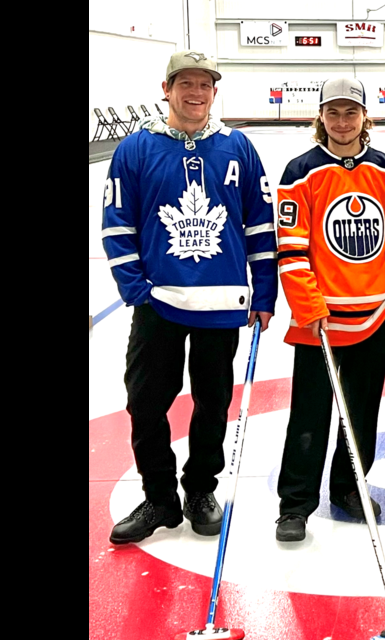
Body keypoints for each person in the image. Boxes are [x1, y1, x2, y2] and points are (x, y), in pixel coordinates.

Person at [103, 51, 278, 544]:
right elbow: (118, 225)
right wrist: (138, 290)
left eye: (205, 84)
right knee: (145, 401)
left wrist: (263, 292)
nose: (196, 93)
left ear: (215, 91)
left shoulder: (238, 148)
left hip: (222, 306)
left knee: (212, 403)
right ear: (167, 88)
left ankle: (201, 489)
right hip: (158, 303)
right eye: (186, 83)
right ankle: (159, 497)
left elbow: (262, 225)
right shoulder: (136, 149)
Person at [273, 78, 385, 542]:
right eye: (332, 113)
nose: (342, 121)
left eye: (350, 113)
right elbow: (291, 251)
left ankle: (349, 488)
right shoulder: (300, 172)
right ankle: (295, 505)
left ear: (364, 117)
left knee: (361, 412)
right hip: (322, 322)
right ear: (320, 117)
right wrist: (309, 306)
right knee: (309, 414)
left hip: (374, 317)